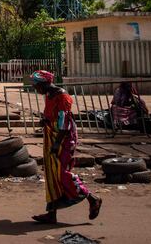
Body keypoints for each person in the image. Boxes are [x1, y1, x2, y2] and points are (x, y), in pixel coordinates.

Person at [30, 70, 102, 224]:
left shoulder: (62, 96)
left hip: (64, 138)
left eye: (37, 85)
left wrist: (57, 143)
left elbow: (65, 122)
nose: (36, 89)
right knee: (51, 173)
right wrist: (45, 121)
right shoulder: (49, 95)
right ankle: (51, 213)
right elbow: (51, 115)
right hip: (52, 135)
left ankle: (92, 198)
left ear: (45, 84)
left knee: (62, 173)